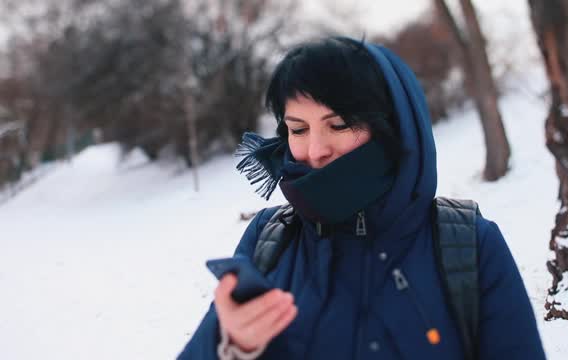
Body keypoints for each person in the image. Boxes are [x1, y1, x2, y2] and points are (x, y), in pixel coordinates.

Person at [178, 37, 546, 360]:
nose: (315, 150)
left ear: (390, 126)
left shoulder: (469, 244)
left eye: (338, 125)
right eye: (298, 129)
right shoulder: (269, 240)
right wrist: (230, 346)